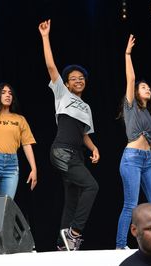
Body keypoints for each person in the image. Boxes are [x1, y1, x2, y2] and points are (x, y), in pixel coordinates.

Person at [38, 19, 99, 251]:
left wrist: (93, 148)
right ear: (66, 83)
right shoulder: (62, 94)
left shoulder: (87, 107)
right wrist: (45, 37)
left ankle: (62, 246)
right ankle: (74, 233)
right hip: (62, 151)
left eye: (81, 78)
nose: (78, 80)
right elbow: (51, 67)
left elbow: (83, 134)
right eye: (74, 78)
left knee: (72, 200)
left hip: (77, 154)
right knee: (92, 186)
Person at [116, 34, 151, 250]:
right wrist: (127, 54)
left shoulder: (148, 115)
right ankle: (120, 246)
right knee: (131, 205)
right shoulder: (130, 107)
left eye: (149, 87)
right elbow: (131, 79)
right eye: (143, 87)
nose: (147, 89)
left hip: (148, 160)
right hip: (131, 159)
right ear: (136, 93)